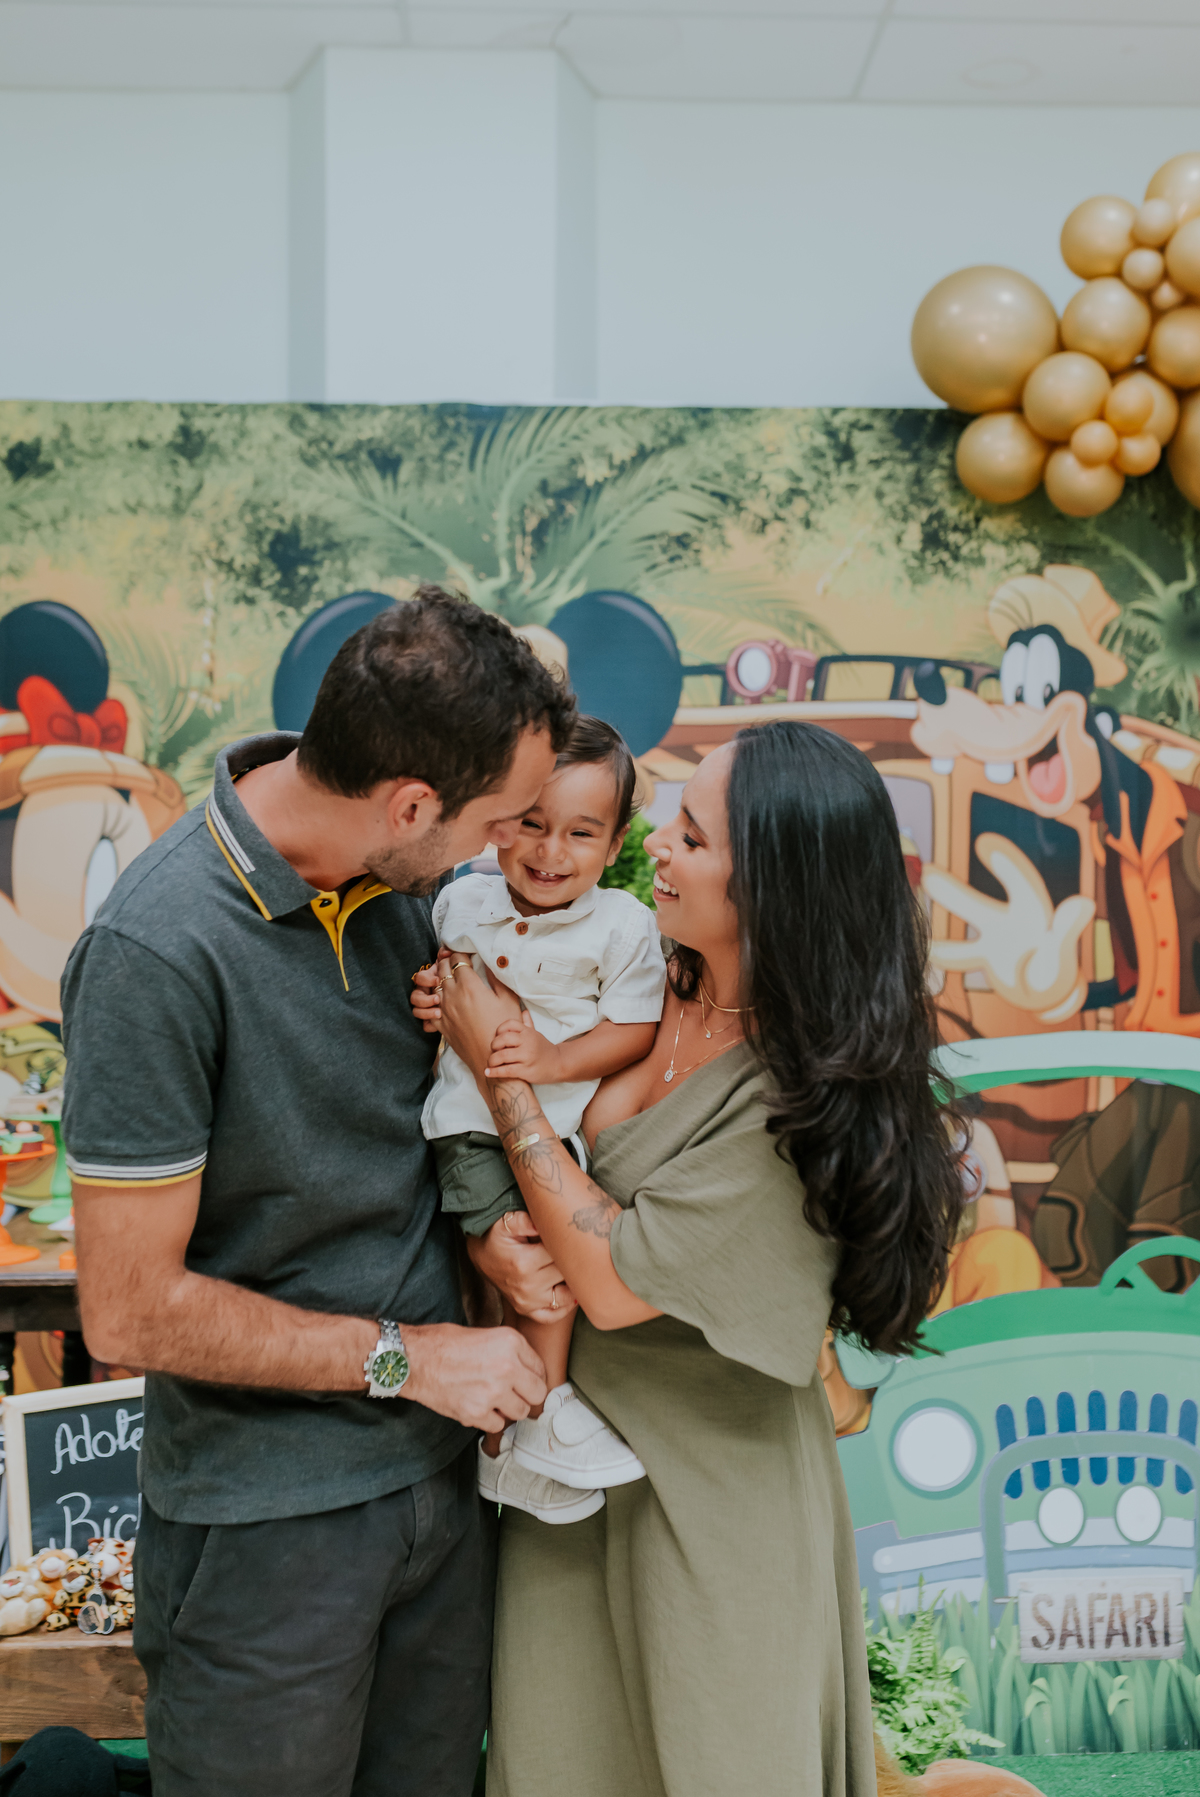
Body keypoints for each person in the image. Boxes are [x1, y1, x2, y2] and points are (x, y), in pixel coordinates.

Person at [59, 588, 576, 1797]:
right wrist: (412, 1359)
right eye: (496, 821)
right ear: (409, 804)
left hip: (441, 1494)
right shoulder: (157, 951)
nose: (507, 850)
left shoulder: (409, 896)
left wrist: (492, 1244)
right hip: (268, 1529)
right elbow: (128, 1311)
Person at [425, 719, 964, 1797]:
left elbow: (617, 1284)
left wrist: (505, 1081)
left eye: (695, 839)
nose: (658, 850)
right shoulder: (649, 981)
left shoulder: (804, 1099)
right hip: (571, 1487)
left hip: (717, 1502)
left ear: (775, 887)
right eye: (669, 823)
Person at [420, 715, 666, 1523]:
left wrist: (553, 1060)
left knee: (549, 1275)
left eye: (579, 832)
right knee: (542, 1274)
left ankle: (519, 1437)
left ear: (615, 838)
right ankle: (538, 1419)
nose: (549, 852)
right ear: (502, 814)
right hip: (466, 1123)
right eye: (532, 822)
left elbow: (632, 1026)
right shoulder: (459, 898)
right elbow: (440, 985)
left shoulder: (624, 926)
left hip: (555, 1135)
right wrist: (431, 999)